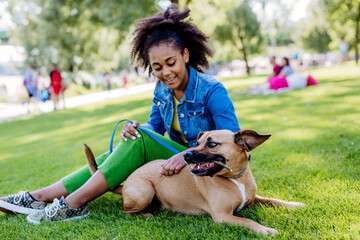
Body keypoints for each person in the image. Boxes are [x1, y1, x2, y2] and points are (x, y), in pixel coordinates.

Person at [0, 6, 240, 224]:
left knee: (139, 141)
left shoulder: (211, 90)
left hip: (200, 163)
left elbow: (231, 140)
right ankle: (39, 196)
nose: (165, 72)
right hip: (175, 163)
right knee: (126, 145)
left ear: (185, 56)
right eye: (157, 67)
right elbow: (155, 127)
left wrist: (187, 154)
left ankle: (73, 204)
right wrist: (136, 129)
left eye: (171, 62)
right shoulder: (162, 91)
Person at [247, 57, 317, 94]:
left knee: (267, 86)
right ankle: (253, 89)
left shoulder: (287, 68)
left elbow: (281, 75)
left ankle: (252, 89)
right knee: (266, 85)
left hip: (282, 81)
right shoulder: (285, 68)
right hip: (282, 81)